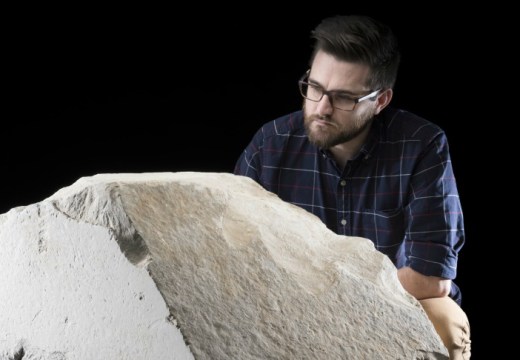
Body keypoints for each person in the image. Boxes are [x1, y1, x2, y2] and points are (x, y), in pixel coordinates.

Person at [234, 14, 470, 359]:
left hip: (394, 304)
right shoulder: (270, 144)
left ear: (381, 101)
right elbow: (237, 251)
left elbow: (431, 280)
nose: (322, 109)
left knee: (445, 324)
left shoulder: (422, 145)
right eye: (315, 88)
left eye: (344, 98)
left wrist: (336, 296)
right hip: (293, 304)